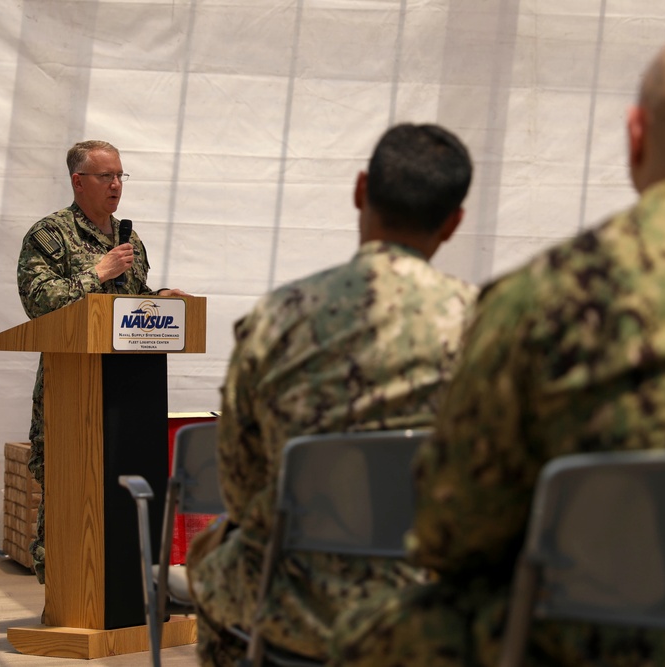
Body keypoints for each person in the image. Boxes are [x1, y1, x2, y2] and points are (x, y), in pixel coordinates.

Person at [330, 23, 665, 667]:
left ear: (637, 137)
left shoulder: (541, 298)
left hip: (595, 644)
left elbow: (450, 532)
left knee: (369, 635)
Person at [187, 123, 479, 666]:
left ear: (361, 190)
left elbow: (243, 488)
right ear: (455, 222)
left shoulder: (278, 319)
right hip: (430, 616)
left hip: (291, 615)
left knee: (217, 558)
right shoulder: (484, 325)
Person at [17, 139, 189, 585]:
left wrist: (160, 299)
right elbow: (40, 304)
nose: (116, 185)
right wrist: (97, 272)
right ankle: (64, 598)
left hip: (131, 390)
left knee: (125, 494)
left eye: (120, 176)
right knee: (68, 492)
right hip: (72, 389)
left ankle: (128, 595)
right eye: (105, 177)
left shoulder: (129, 241)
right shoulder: (49, 235)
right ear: (78, 181)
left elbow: (125, 309)